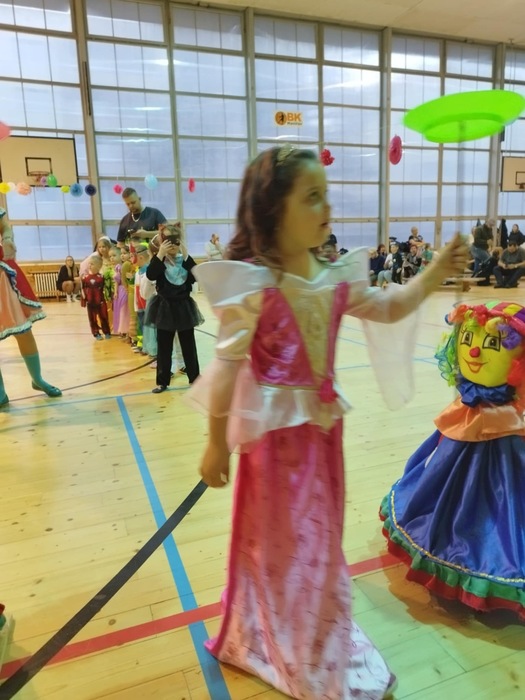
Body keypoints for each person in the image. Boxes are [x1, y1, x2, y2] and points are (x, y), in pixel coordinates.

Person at [185, 146, 467, 700]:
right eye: (312, 197)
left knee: (319, 538)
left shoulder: (336, 277)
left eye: (326, 195)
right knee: (280, 542)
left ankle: (312, 624)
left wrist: (434, 272)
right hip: (274, 446)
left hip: (322, 436)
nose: (327, 207)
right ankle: (281, 631)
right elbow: (227, 367)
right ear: (273, 210)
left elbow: (389, 307)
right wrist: (216, 442)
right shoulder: (254, 286)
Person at [381, 301, 525, 619]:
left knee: (503, 497)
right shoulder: (466, 399)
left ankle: (485, 561)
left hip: (503, 444)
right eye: (467, 340)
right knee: (444, 480)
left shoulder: (506, 410)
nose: (473, 352)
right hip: (465, 436)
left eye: (491, 344)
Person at [0, 210, 61, 407]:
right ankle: (0, 392)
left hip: (2, 276)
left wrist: (7, 238)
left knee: (23, 332)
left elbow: (4, 225)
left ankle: (37, 379)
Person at [145, 224, 202, 393]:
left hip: (184, 306)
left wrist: (185, 253)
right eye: (167, 240)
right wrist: (160, 253)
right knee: (164, 345)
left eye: (174, 240)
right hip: (164, 307)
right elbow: (150, 274)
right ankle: (162, 381)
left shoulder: (184, 261)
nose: (171, 244)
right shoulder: (159, 261)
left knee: (188, 344)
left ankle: (194, 378)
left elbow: (196, 275)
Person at [81, 255, 111, 340]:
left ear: (99, 266)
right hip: (90, 302)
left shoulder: (101, 277)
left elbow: (106, 288)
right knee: (92, 319)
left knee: (104, 317)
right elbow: (83, 289)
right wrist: (84, 300)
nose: (90, 265)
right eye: (89, 263)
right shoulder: (85, 278)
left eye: (92, 264)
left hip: (101, 301)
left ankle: (107, 332)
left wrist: (108, 297)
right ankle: (96, 333)